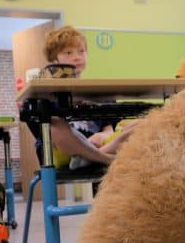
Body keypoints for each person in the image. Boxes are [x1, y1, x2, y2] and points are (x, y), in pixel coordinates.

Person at [38, 26, 134, 169]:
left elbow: (109, 126)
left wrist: (103, 135)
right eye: (68, 52)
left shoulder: (96, 91)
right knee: (55, 127)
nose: (77, 57)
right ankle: (102, 158)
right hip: (65, 151)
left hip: (101, 145)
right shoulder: (47, 91)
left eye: (81, 51)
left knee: (145, 123)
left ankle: (91, 157)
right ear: (54, 60)